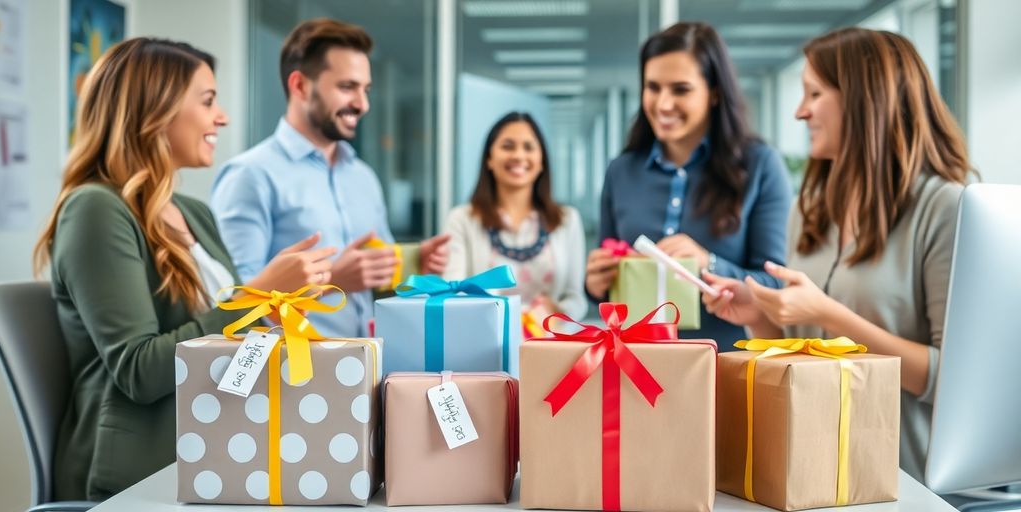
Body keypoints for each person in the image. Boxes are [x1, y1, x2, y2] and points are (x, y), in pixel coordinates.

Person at [32, 38, 336, 500]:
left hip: (217, 444)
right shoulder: (96, 209)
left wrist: (275, 306)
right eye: (208, 101)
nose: (223, 117)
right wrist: (254, 297)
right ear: (154, 110)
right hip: (142, 468)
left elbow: (227, 340)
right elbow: (139, 370)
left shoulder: (195, 213)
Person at [703, 27, 973, 481]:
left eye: (814, 93)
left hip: (900, 480)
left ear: (865, 100)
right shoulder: (809, 211)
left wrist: (831, 314)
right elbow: (803, 348)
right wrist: (759, 316)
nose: (800, 110)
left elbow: (952, 380)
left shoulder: (945, 209)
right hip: (809, 470)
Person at [211, 18, 449, 337]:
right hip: (292, 375)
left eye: (365, 90)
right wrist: (333, 279)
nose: (362, 104)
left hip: (369, 364)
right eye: (347, 87)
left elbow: (376, 273)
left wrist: (414, 264)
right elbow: (236, 302)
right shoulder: (250, 175)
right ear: (300, 85)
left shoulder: (363, 177)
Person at [584, 22, 792, 346]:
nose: (663, 104)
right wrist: (595, 283)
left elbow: (776, 286)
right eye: (653, 87)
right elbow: (607, 293)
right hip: (635, 367)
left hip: (726, 368)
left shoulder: (760, 165)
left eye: (681, 89)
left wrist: (707, 263)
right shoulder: (621, 171)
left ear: (714, 92)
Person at [444, 112, 587, 320]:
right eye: (508, 146)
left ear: (541, 162)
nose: (519, 155)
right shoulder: (461, 219)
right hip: (482, 343)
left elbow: (576, 299)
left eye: (529, 147)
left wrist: (557, 313)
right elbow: (452, 293)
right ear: (489, 160)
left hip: (546, 345)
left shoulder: (567, 220)